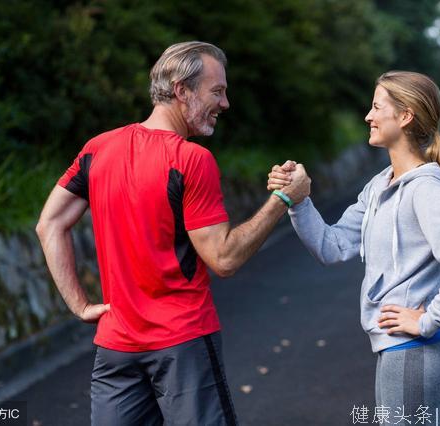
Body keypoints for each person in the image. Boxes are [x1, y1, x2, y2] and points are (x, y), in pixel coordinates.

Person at [36, 41, 310, 426]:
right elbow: (225, 258)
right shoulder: (190, 159)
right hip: (182, 343)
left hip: (116, 346)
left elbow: (49, 223)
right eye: (217, 91)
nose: (226, 103)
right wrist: (283, 198)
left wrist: (79, 306)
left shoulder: (98, 149)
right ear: (182, 90)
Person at [268, 71, 440, 422]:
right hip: (398, 348)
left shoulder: (425, 188)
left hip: (414, 347)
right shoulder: (379, 186)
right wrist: (299, 199)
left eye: (376, 107)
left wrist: (431, 318)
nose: (368, 116)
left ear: (405, 116)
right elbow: (332, 245)